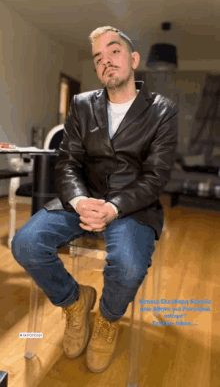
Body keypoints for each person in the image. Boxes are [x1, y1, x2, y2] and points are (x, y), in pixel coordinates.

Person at [11, 26, 178, 373]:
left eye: (114, 52)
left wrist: (114, 207)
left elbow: (156, 176)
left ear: (133, 59)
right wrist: (78, 199)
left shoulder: (162, 110)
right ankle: (74, 303)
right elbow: (68, 161)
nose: (106, 61)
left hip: (133, 207)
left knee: (129, 265)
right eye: (98, 58)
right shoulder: (81, 104)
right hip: (81, 199)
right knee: (25, 243)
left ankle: (106, 319)